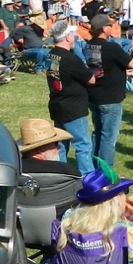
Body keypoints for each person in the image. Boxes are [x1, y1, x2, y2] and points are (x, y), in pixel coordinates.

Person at [45, 21, 95, 174]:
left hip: (57, 103)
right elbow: (91, 79)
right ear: (67, 37)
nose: (75, 36)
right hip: (73, 106)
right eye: (72, 33)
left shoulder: (51, 55)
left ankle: (60, 174)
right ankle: (88, 177)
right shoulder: (70, 59)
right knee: (83, 145)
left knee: (61, 143)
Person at [85, 14, 132, 167]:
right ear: (104, 28)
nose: (113, 27)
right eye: (110, 25)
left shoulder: (88, 45)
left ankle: (92, 164)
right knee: (108, 137)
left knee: (97, 132)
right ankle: (105, 171)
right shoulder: (111, 47)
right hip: (110, 97)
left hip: (94, 95)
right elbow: (131, 64)